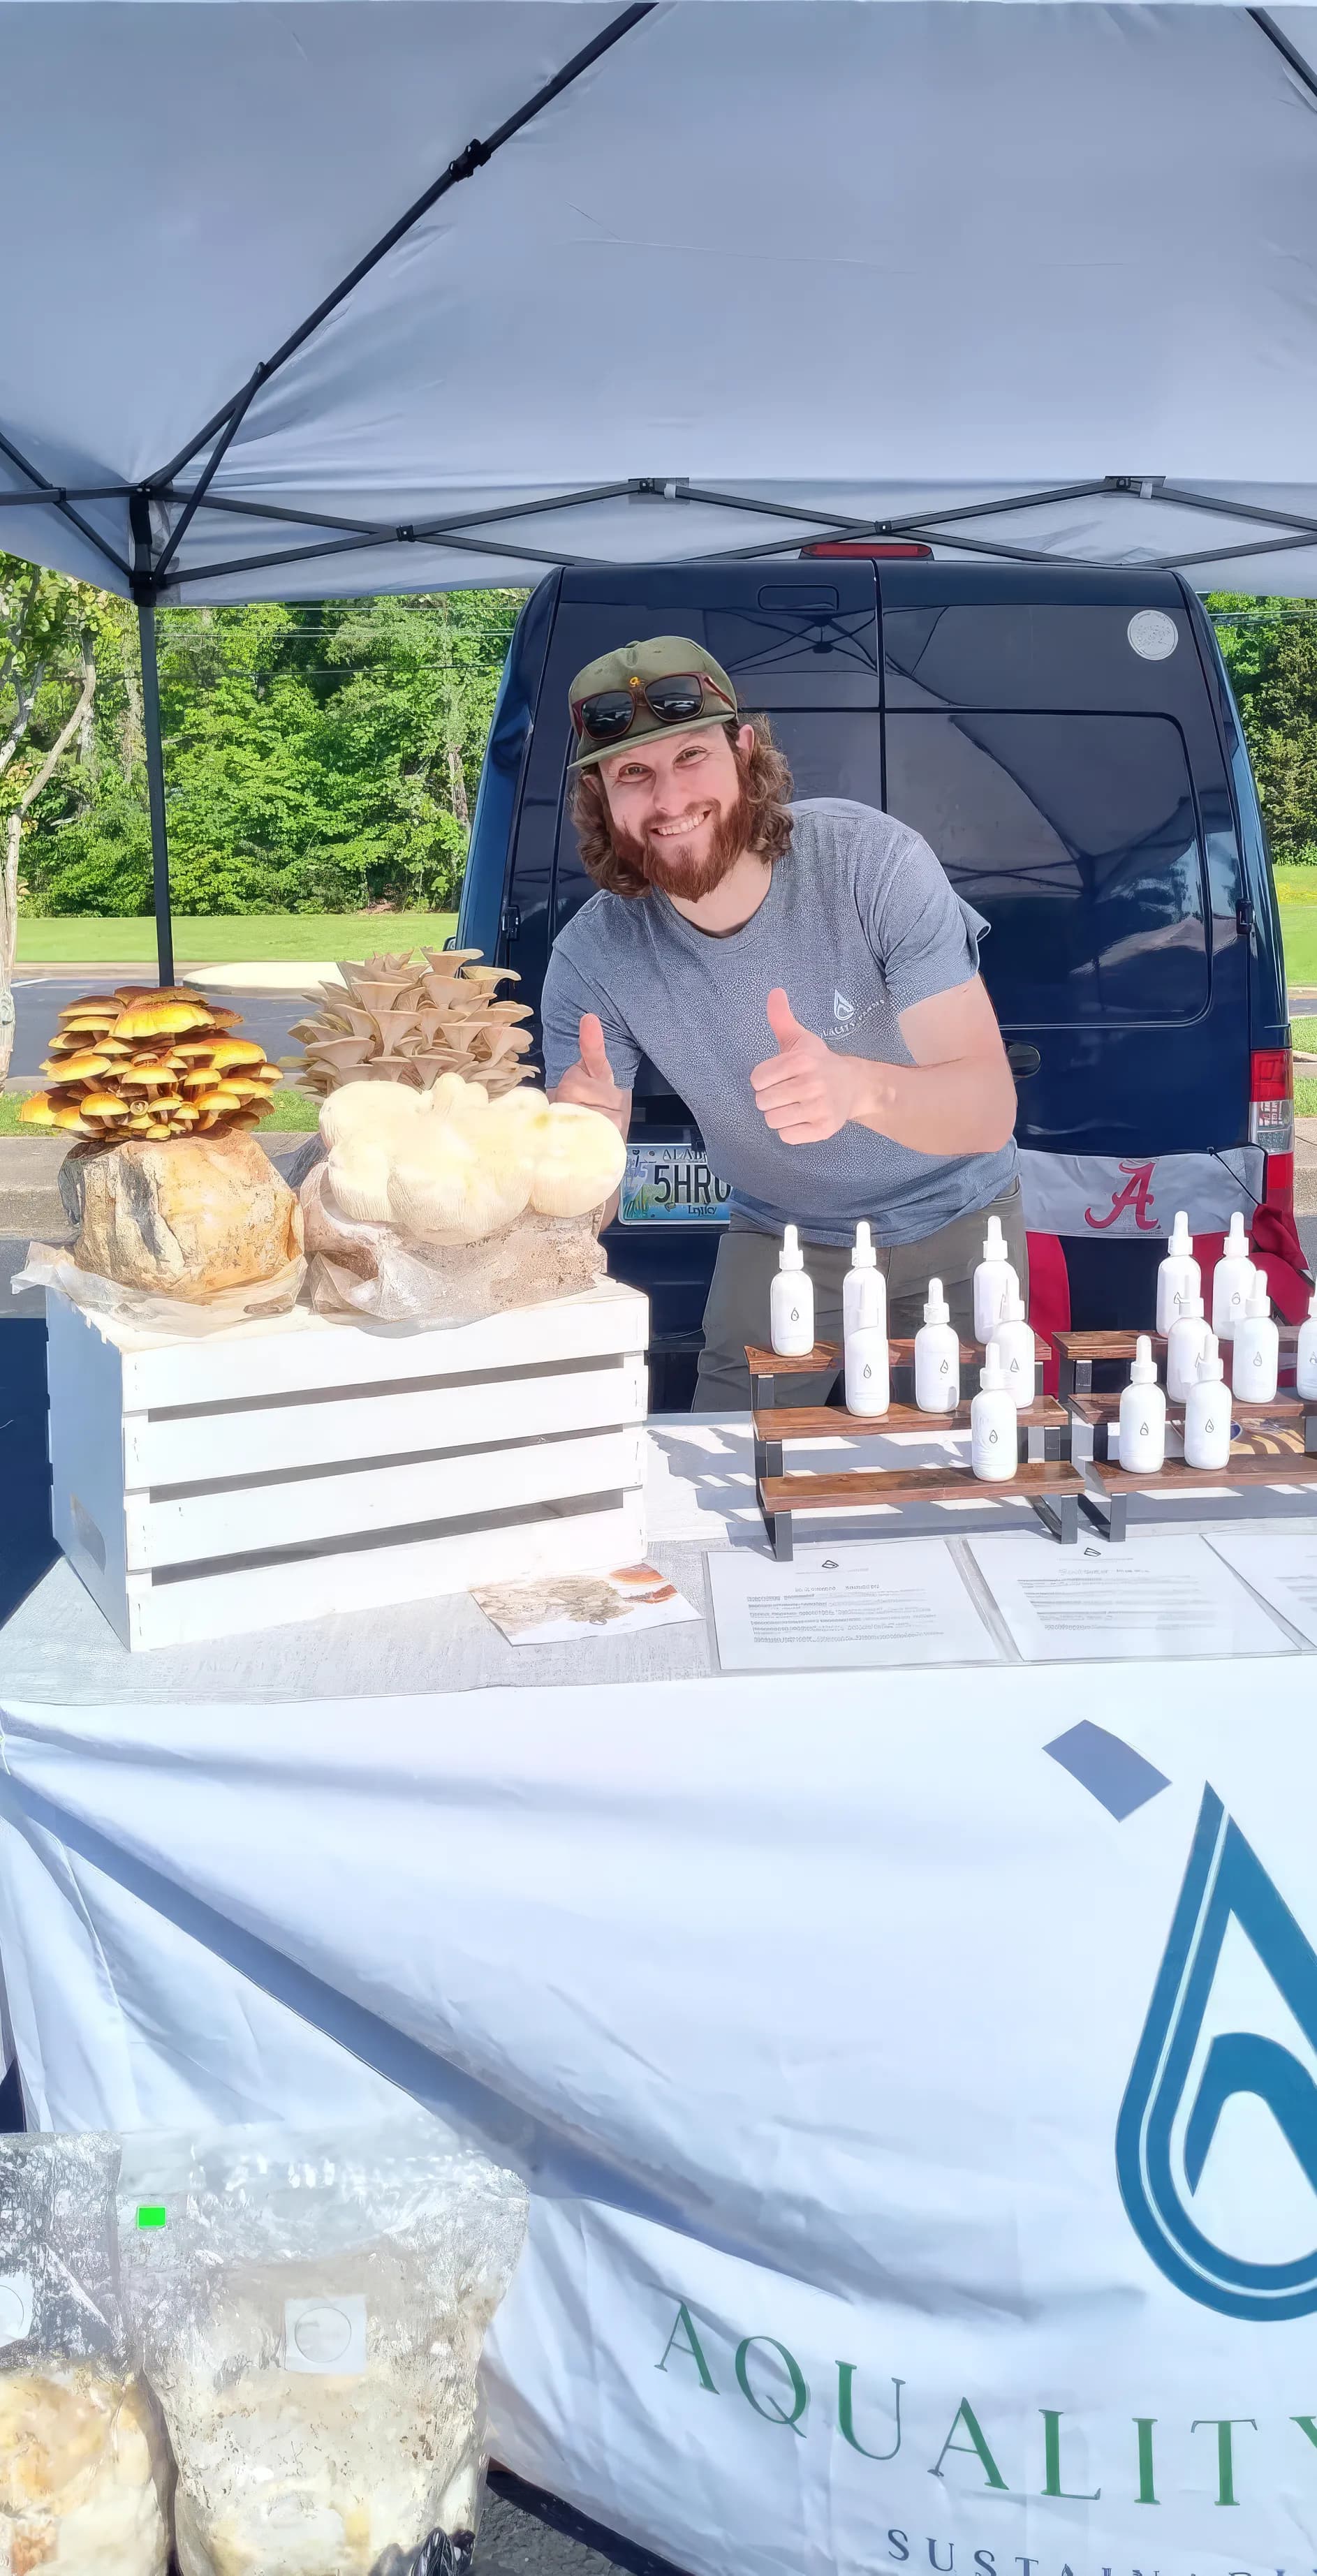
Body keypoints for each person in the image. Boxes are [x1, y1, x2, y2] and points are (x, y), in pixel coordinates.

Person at [541, 635, 1022, 1409]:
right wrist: (572, 1171)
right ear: (601, 796)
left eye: (690, 756)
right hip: (778, 1233)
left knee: (973, 1468)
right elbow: (581, 1212)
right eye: (633, 773)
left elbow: (986, 1109)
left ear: (742, 751)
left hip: (957, 1219)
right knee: (729, 1468)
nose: (667, 801)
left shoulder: (871, 863)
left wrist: (858, 1089)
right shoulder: (594, 955)